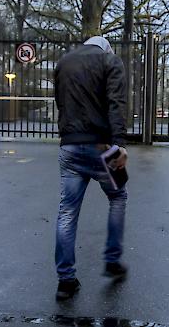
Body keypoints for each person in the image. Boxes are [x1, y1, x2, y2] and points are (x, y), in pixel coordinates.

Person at [53, 35, 129, 300]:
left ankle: (65, 280)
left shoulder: (64, 62)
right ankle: (112, 260)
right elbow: (116, 103)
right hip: (102, 148)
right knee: (118, 197)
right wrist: (119, 144)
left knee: (67, 212)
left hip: (70, 146)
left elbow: (60, 102)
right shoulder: (110, 61)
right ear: (106, 47)